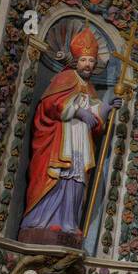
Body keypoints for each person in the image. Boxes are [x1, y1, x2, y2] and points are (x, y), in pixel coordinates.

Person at [20, 26, 109, 248]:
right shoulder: (65, 78)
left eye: (91, 61)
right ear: (76, 61)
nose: (88, 64)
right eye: (84, 60)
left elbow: (96, 119)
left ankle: (68, 223)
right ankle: (41, 222)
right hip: (60, 140)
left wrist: (105, 108)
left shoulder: (89, 87)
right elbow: (49, 105)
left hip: (80, 142)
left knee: (76, 181)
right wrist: (78, 112)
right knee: (59, 177)